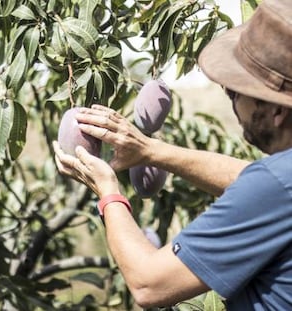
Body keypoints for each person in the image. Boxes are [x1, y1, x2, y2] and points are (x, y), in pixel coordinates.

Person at [53, 0, 292, 309]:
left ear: (275, 111)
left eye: (236, 92)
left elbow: (148, 285)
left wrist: (107, 191)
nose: (233, 102)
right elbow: (252, 178)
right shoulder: (280, 180)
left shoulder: (274, 187)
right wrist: (148, 150)